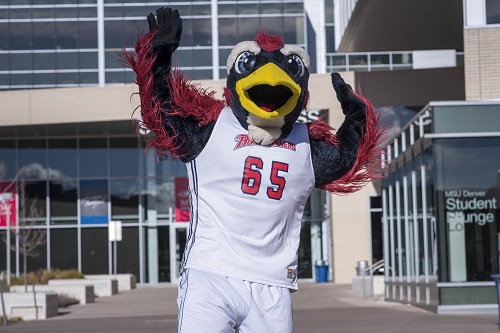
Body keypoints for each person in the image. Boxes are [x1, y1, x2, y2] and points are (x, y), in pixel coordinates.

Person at [123, 7, 385, 333]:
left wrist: (356, 117)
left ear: (300, 94)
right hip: (212, 274)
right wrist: (158, 58)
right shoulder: (209, 129)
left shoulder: (306, 147)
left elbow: (347, 157)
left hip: (272, 284)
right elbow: (161, 113)